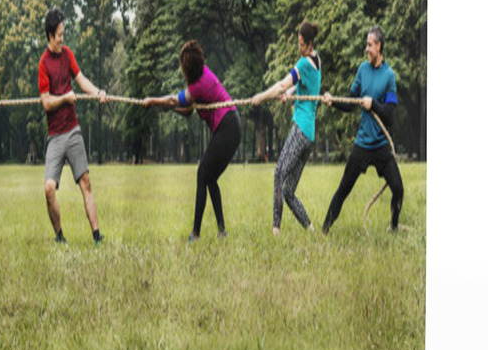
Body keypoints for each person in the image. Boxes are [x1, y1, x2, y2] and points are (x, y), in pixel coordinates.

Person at [143, 40, 241, 241]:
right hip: (231, 125)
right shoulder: (201, 76)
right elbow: (187, 110)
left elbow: (174, 100)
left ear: (186, 69)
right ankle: (222, 231)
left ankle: (195, 234)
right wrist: (169, 107)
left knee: (202, 173)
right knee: (210, 178)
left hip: (227, 127)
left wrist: (153, 101)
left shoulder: (199, 84)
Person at [321, 25, 403, 233]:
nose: (366, 49)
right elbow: (350, 102)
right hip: (363, 144)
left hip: (382, 145)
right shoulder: (362, 70)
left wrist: (373, 104)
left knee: (398, 189)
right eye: (366, 45)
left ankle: (393, 227)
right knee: (343, 190)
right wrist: (333, 101)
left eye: (369, 45)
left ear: (378, 46)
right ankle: (324, 231)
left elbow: (390, 114)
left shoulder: (389, 75)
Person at [38, 7, 107, 246]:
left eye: (62, 32)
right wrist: (66, 98)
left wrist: (98, 92)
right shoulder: (43, 63)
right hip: (56, 136)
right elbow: (46, 102)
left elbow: (81, 79)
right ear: (49, 35)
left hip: (73, 129)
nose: (62, 37)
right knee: (48, 189)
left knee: (86, 182)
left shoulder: (67, 54)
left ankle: (97, 236)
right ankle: (59, 237)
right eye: (58, 34)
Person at [252, 21, 321, 235]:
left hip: (300, 128)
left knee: (279, 173)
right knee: (288, 191)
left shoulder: (302, 64)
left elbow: (283, 83)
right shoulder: (317, 60)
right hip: (309, 135)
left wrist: (261, 97)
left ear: (309, 43)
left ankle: (275, 230)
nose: (298, 47)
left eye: (301, 44)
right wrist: (290, 94)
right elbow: (304, 86)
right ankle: (310, 229)